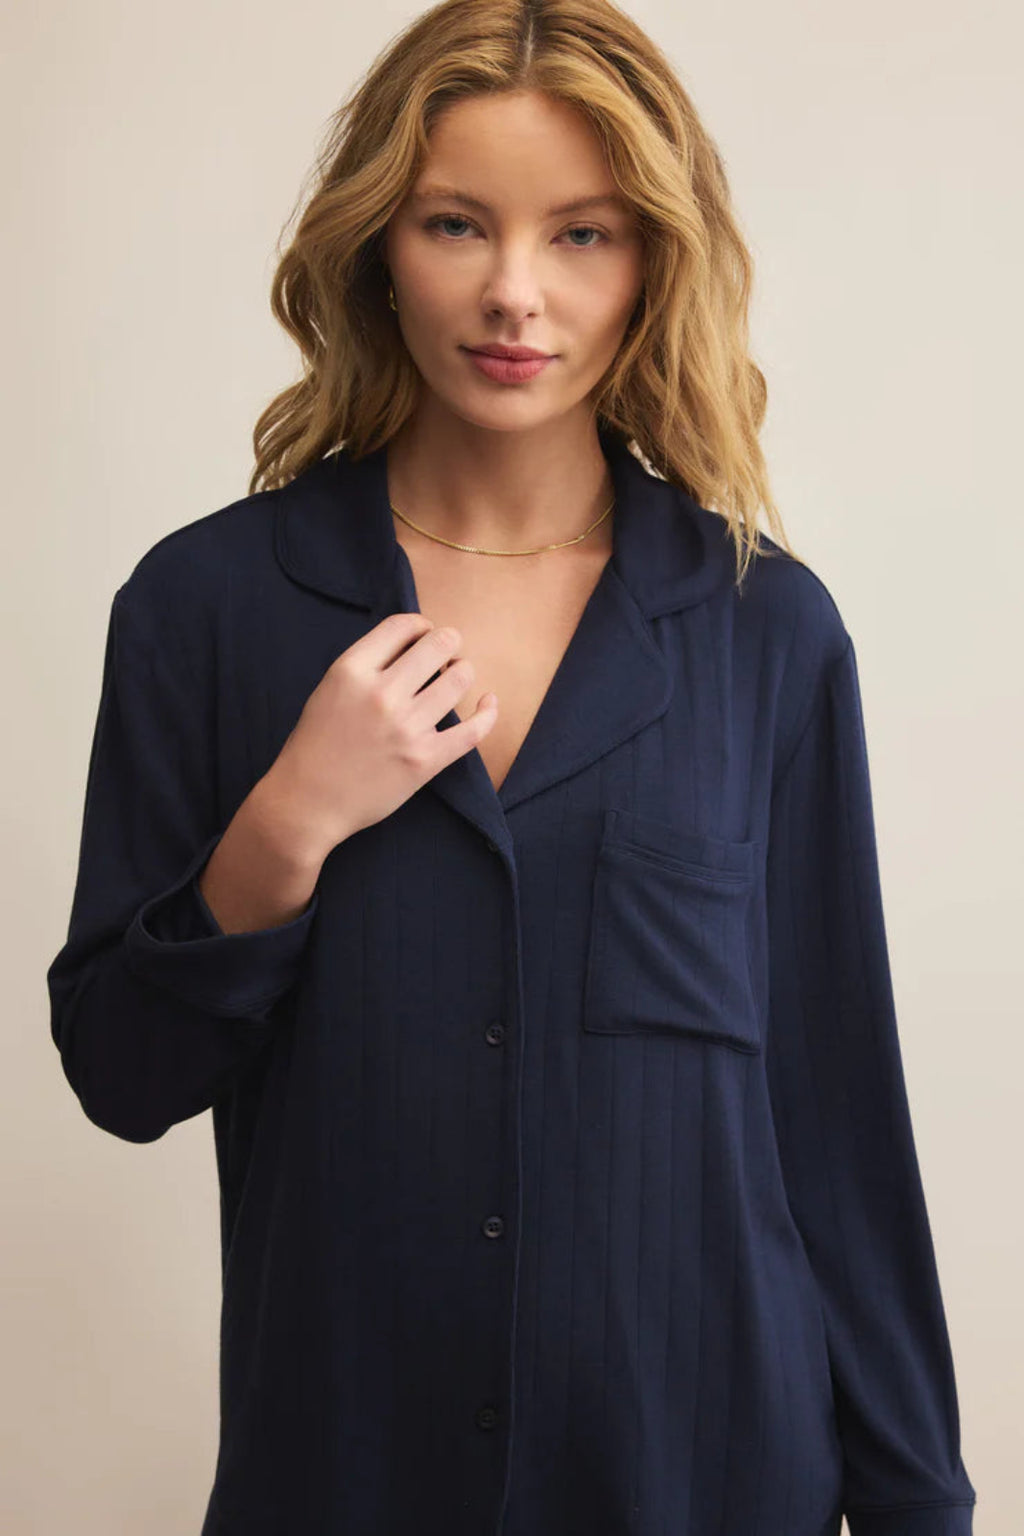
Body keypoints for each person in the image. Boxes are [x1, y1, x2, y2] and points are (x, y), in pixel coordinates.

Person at [46, 1, 978, 1533]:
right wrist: (284, 826)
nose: (514, 294)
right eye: (456, 225)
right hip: (344, 1483)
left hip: (710, 1486)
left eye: (584, 236)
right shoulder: (206, 610)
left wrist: (920, 1507)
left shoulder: (765, 636)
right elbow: (122, 1076)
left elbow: (837, 1129)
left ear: (652, 265)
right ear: (377, 247)